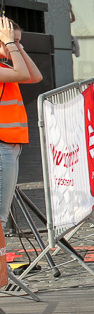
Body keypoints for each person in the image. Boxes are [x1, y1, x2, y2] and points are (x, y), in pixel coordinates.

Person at [0, 17, 43, 286]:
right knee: (0, 219)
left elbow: (35, 76)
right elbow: (22, 74)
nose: (17, 45)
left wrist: (16, 45)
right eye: (12, 40)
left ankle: (3, 273)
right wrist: (9, 43)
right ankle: (2, 275)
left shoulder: (7, 62)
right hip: (2, 149)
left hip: (9, 148)